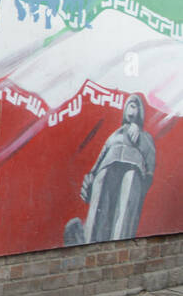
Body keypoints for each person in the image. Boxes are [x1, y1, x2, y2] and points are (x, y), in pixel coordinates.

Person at [65, 92, 155, 244]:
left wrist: (138, 132)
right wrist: (91, 177)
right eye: (130, 106)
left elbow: (150, 166)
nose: (132, 111)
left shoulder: (145, 137)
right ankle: (88, 242)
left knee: (125, 209)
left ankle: (119, 246)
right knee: (100, 204)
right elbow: (99, 160)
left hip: (133, 169)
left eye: (135, 107)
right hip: (107, 168)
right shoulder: (114, 136)